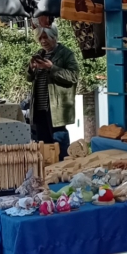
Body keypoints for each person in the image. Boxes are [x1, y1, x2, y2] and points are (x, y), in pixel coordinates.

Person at [27, 25, 78, 157]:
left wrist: (51, 68)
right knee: (43, 146)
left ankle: (63, 166)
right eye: (40, 38)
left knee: (59, 143)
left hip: (56, 108)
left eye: (46, 37)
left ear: (54, 36)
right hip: (39, 107)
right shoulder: (40, 53)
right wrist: (31, 69)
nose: (43, 41)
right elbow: (29, 78)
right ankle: (46, 168)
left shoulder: (66, 53)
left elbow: (73, 76)